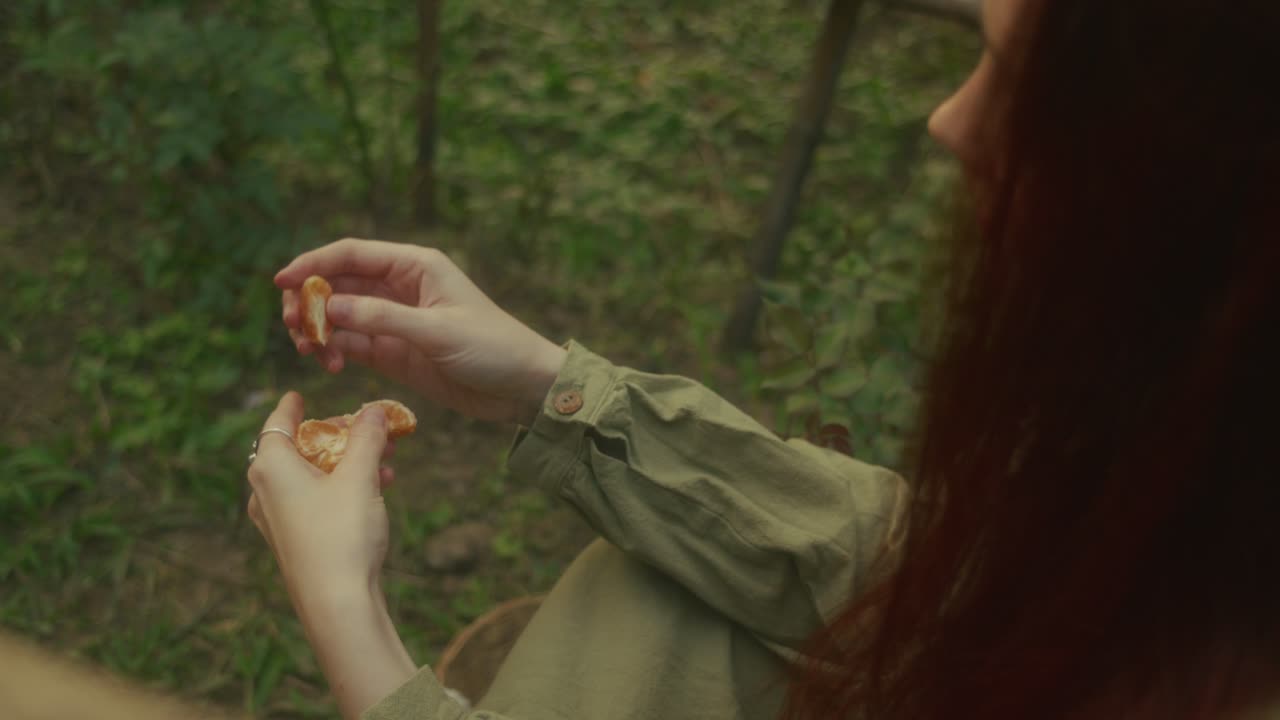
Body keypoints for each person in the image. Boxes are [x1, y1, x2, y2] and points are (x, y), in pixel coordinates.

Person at [245, 0, 1279, 717]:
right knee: (666, 567)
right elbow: (937, 571)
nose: (947, 122)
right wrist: (550, 386)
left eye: (1012, 82)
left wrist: (350, 620)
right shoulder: (1203, 524)